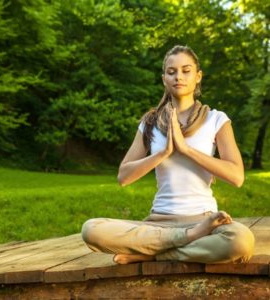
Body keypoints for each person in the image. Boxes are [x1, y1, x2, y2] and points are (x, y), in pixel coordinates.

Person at [81, 45, 255, 265]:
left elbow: (237, 176)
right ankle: (186, 239)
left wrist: (186, 149)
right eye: (171, 72)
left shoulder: (216, 120)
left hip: (204, 219)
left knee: (240, 241)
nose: (178, 77)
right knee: (91, 230)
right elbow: (124, 177)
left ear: (198, 76)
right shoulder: (151, 123)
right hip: (158, 224)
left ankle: (153, 253)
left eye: (186, 70)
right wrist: (164, 152)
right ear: (164, 78)